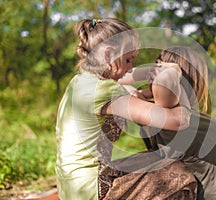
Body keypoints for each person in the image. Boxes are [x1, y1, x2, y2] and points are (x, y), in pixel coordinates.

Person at [55, 18, 196, 200]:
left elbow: (129, 84)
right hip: (91, 191)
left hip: (72, 188)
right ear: (108, 55)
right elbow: (177, 121)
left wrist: (158, 71)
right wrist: (177, 80)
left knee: (154, 158)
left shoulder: (82, 81)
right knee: (178, 173)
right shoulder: (106, 90)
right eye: (128, 59)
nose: (131, 67)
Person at [108, 46, 216, 200]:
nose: (153, 74)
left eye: (160, 71)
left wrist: (165, 77)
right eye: (154, 68)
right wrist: (142, 91)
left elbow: (118, 82)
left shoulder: (194, 123)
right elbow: (113, 81)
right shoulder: (157, 114)